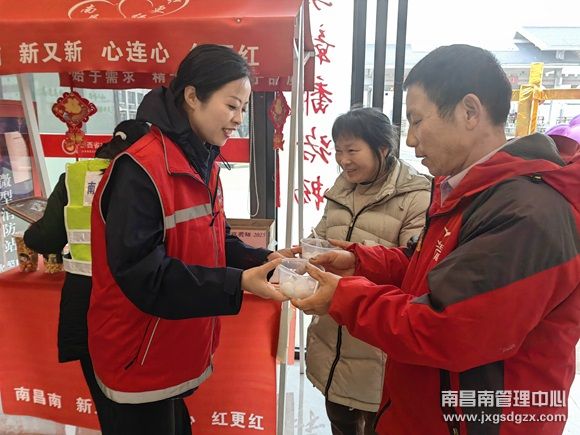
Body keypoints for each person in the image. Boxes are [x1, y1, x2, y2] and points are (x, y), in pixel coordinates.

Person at [293, 44, 580, 434]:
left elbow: (448, 328)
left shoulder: (527, 212)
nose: (411, 141)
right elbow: (430, 272)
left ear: (469, 111)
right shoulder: (470, 192)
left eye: (417, 121)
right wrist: (361, 263)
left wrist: (343, 297)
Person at [87, 44, 287, 435]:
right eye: (232, 106)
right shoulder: (140, 170)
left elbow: (215, 237)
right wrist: (237, 283)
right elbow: (144, 274)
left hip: (169, 352)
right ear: (193, 97)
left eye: (244, 108)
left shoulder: (200, 160)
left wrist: (264, 260)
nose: (239, 120)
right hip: (137, 359)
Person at [305, 107, 430, 435]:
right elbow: (321, 236)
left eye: (352, 150)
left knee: (380, 424)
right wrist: (303, 254)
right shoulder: (341, 188)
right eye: (338, 150)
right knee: (340, 421)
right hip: (332, 338)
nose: (343, 160)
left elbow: (414, 271)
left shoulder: (416, 197)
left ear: (382, 148)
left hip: (378, 346)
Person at [23, 119, 150, 433]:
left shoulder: (76, 177)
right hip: (137, 301)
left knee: (108, 402)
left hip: (86, 300)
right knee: (152, 398)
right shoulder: (149, 175)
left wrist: (32, 234)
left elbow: (46, 237)